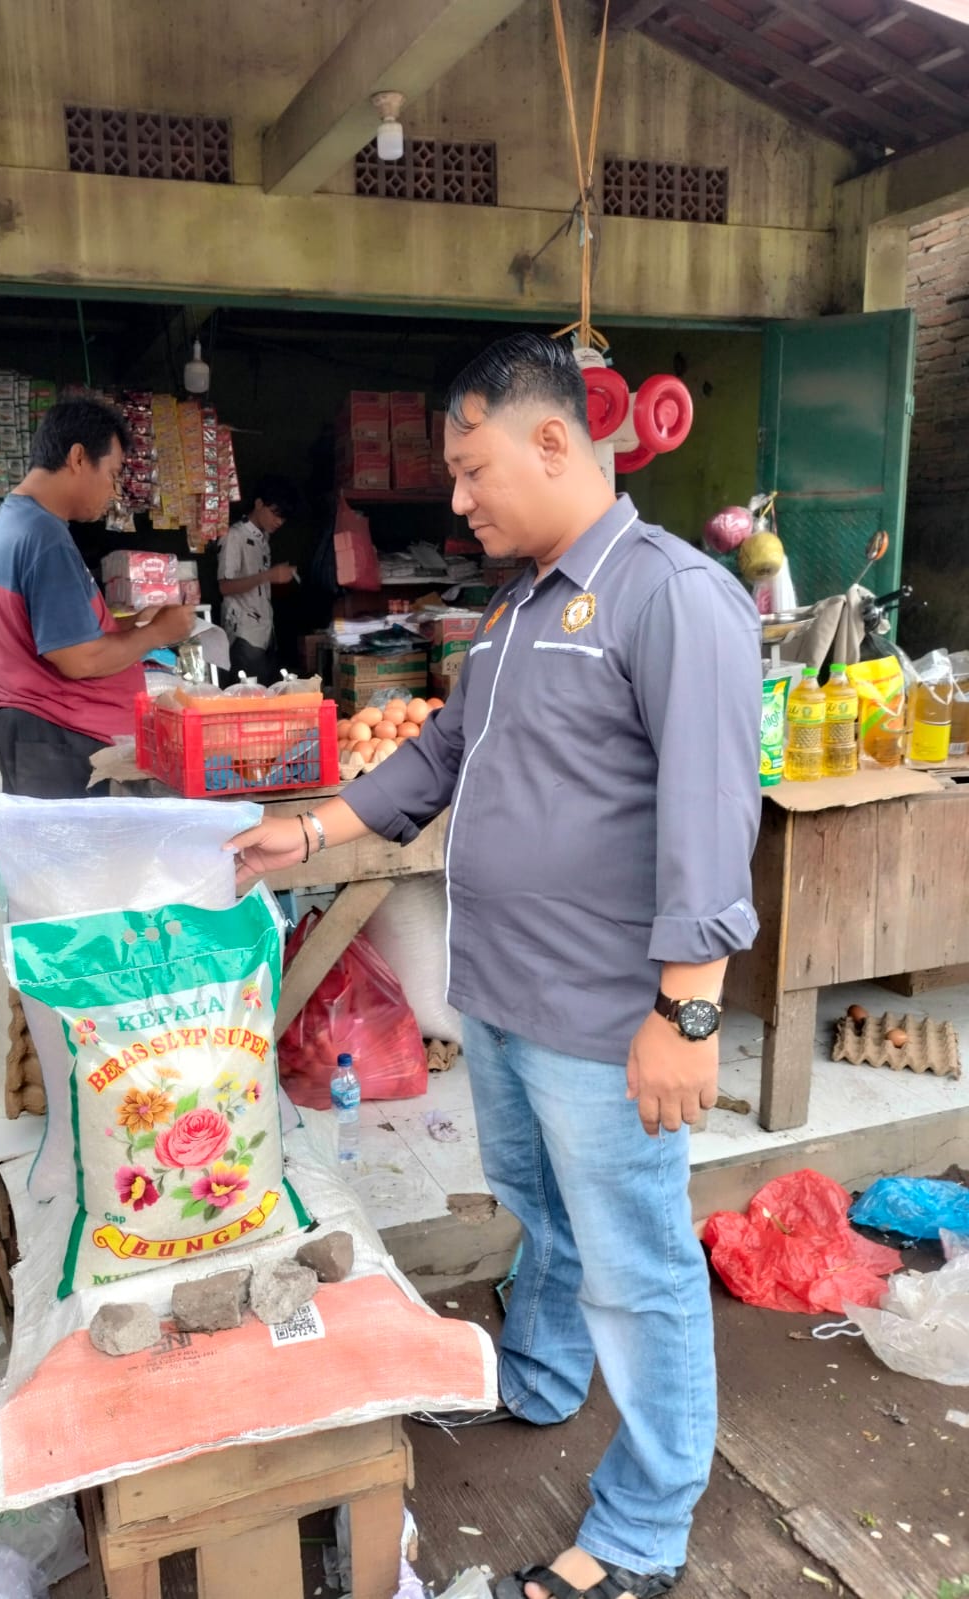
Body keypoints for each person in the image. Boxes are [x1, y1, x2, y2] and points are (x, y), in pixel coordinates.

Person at [228, 334, 763, 1599]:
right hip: (509, 997)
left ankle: (643, 1532)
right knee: (544, 1208)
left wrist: (686, 1013)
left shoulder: (671, 596)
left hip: (604, 1012)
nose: (458, 498)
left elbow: (710, 815)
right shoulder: (517, 612)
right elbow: (438, 760)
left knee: (637, 1266)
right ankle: (540, 1379)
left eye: (472, 470)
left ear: (554, 441)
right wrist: (311, 831)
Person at [0, 397, 194, 798]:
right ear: (78, 458)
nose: (113, 491)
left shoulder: (14, 522)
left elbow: (59, 630)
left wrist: (133, 623)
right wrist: (158, 633)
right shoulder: (43, 537)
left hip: (45, 734)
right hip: (59, 738)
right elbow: (79, 659)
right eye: (111, 474)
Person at [217, 475, 300, 684]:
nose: (279, 522)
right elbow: (224, 586)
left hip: (264, 631)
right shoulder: (233, 535)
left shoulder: (263, 538)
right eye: (275, 513)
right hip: (243, 633)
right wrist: (269, 575)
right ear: (259, 503)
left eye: (283, 518)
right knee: (248, 695)